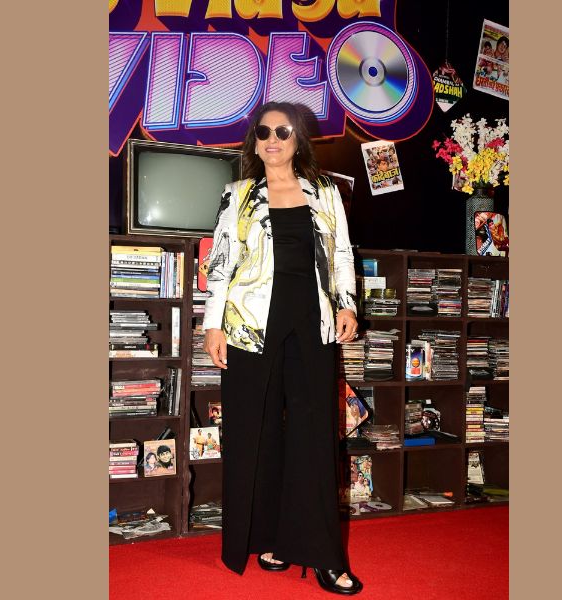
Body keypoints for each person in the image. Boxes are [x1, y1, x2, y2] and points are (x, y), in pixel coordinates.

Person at [203, 101, 363, 595]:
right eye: (264, 131)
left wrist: (348, 304)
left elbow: (342, 254)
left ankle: (324, 556)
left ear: (298, 140)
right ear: (254, 141)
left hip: (312, 322)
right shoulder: (237, 196)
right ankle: (268, 540)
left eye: (283, 131)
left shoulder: (325, 191)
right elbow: (220, 265)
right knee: (255, 432)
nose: (272, 139)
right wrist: (212, 326)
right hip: (250, 325)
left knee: (314, 437)